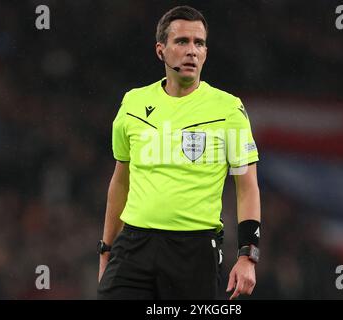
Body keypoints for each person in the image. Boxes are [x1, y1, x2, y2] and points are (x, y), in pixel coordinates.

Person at [97, 5, 261, 300]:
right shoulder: (133, 103)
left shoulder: (228, 109)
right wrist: (106, 249)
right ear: (161, 50)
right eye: (182, 42)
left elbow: (247, 186)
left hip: (194, 252)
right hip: (134, 246)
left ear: (206, 53)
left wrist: (247, 256)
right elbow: (121, 180)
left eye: (199, 43)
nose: (192, 51)